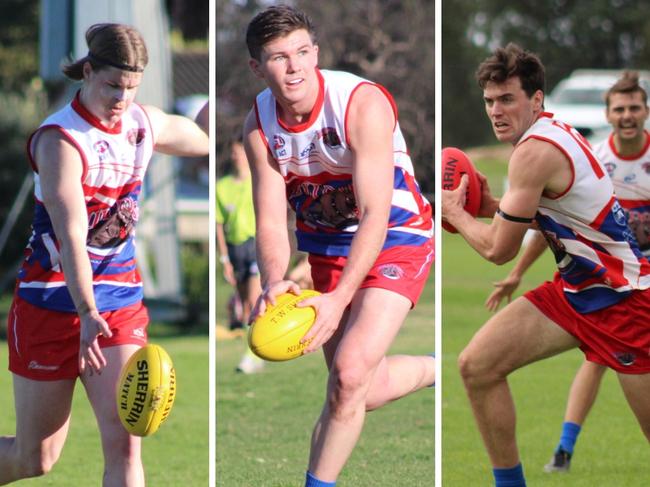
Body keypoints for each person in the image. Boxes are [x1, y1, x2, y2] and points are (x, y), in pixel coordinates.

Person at [0, 23, 209, 486]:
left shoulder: (142, 122)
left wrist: (225, 103)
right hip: (51, 304)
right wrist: (85, 309)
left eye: (131, 88)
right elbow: (72, 232)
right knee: (34, 459)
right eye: (113, 85)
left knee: (127, 441)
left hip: (117, 303)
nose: (121, 99)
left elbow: (200, 138)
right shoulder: (60, 140)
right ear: (89, 71)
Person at [243, 6, 435, 487]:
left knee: (349, 374)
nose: (295, 67)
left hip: (396, 234)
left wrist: (338, 300)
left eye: (303, 52)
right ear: (256, 67)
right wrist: (273, 281)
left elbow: (375, 214)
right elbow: (270, 219)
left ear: (317, 52)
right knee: (355, 390)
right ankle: (437, 369)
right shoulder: (258, 126)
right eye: (279, 57)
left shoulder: (360, 103)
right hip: (328, 248)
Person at [441, 44, 650, 487]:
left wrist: (455, 213)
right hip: (575, 293)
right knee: (476, 366)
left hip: (625, 304)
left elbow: (499, 249)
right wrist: (489, 204)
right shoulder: (553, 132)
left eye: (507, 99)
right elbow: (548, 213)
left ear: (536, 99)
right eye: (489, 101)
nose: (496, 111)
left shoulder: (534, 152)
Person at [216, 138, 264, 373]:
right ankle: (256, 350)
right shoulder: (222, 186)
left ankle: (250, 356)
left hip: (255, 244)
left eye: (240, 152)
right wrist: (224, 259)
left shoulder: (258, 179)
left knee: (255, 300)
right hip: (235, 250)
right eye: (234, 152)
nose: (237, 156)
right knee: (245, 306)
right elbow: (218, 225)